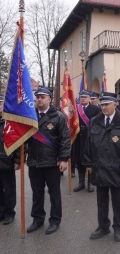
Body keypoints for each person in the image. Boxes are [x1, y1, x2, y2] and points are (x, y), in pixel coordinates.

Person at [84, 92, 120, 242]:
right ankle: (103, 226)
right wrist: (88, 164)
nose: (104, 107)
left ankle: (119, 228)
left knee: (118, 201)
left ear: (115, 104)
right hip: (99, 167)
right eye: (102, 104)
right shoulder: (95, 121)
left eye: (107, 104)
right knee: (101, 200)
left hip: (116, 169)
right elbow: (88, 144)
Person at [26, 87, 71, 235]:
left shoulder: (58, 116)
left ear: (50, 99)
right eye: (38, 96)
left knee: (54, 193)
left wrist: (64, 159)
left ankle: (55, 220)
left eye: (43, 97)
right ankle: (38, 219)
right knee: (37, 193)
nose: (39, 99)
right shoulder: (30, 116)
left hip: (52, 163)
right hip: (34, 162)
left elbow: (65, 139)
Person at [72, 90, 101, 192]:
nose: (83, 99)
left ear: (89, 98)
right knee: (79, 160)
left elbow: (98, 124)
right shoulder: (76, 109)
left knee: (90, 160)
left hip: (90, 137)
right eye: (81, 97)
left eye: (85, 97)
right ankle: (81, 183)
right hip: (78, 138)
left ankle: (90, 183)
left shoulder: (96, 109)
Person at [0, 93, 20, 225]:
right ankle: (1, 211)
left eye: (0, 103)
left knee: (9, 188)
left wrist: (17, 160)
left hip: (6, 160)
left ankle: (9, 212)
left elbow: (18, 142)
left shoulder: (10, 122)